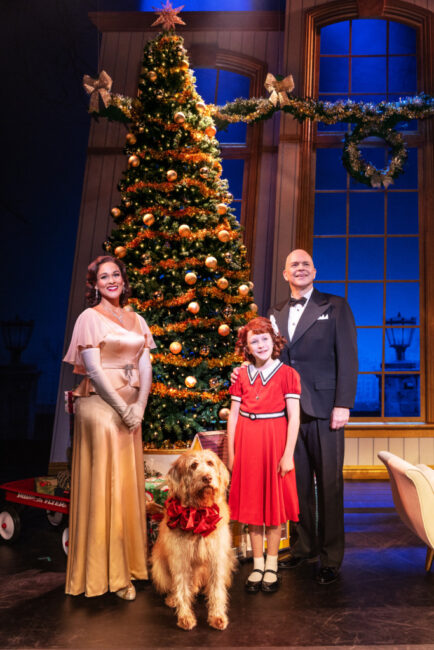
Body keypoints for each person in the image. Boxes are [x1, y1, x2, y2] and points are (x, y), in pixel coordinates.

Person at [63, 255, 155, 599]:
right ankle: (108, 575)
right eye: (104, 277)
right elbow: (95, 370)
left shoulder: (137, 318)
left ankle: (129, 566)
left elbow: (145, 365)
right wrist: (122, 408)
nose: (112, 280)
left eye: (116, 274)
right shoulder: (89, 318)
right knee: (107, 485)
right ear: (95, 285)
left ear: (123, 280)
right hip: (100, 408)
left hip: (132, 408)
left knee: (126, 485)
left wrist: (139, 407)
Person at [270, 249, 358, 585]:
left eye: (306, 263)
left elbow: (348, 357)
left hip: (326, 409)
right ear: (285, 274)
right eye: (294, 264)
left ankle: (331, 556)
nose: (301, 268)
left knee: (331, 486)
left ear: (315, 271)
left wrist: (343, 404)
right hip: (288, 412)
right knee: (299, 484)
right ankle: (304, 546)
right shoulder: (274, 312)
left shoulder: (335, 306)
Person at [227, 317, 301, 594]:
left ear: (274, 341)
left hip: (275, 441)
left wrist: (288, 454)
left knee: (273, 507)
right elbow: (233, 417)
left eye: (264, 339)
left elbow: (293, 417)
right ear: (246, 347)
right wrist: (232, 453)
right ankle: (257, 563)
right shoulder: (242, 375)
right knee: (252, 507)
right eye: (253, 341)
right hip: (247, 441)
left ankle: (272, 563)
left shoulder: (287, 374)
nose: (260, 345)